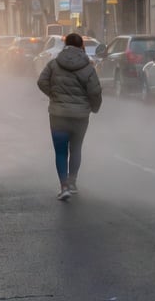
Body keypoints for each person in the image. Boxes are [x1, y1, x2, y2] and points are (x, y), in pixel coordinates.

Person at [37, 33, 102, 201]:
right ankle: (73, 182)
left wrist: (54, 95)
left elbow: (41, 82)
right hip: (80, 117)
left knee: (60, 151)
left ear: (64, 45)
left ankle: (64, 186)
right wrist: (94, 108)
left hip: (58, 115)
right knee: (76, 148)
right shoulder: (88, 68)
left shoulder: (54, 64)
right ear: (82, 46)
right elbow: (95, 91)